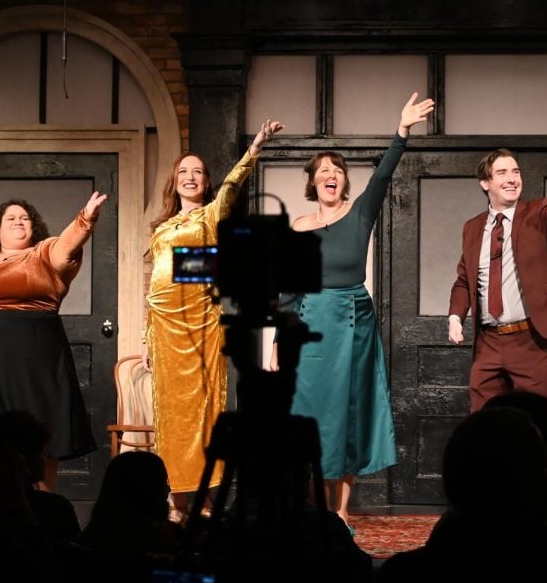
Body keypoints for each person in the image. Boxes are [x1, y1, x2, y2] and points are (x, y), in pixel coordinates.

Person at [277, 92, 434, 523]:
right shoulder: (299, 226)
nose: (331, 176)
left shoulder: (361, 211)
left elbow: (383, 175)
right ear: (313, 183)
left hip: (352, 321)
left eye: (337, 171)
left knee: (348, 410)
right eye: (323, 171)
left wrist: (401, 131)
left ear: (344, 182)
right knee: (311, 413)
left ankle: (342, 510)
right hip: (311, 325)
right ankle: (318, 504)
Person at [145, 120, 283, 517]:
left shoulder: (209, 216)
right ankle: (175, 495)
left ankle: (203, 495)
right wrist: (146, 337)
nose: (190, 177)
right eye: (183, 172)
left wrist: (255, 147)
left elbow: (232, 188)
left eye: (198, 172)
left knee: (204, 412)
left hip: (198, 327)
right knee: (169, 416)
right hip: (164, 330)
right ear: (174, 181)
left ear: (206, 183)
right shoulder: (163, 227)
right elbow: (156, 283)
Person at [0, 192, 108, 487]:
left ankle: (41, 499)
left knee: (40, 427)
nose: (18, 222)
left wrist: (86, 218)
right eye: (11, 218)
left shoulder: (44, 253)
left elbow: (68, 243)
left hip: (36, 357)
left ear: (33, 227)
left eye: (25, 218)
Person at [448, 146, 547, 411]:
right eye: (502, 172)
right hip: (487, 342)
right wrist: (455, 317)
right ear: (485, 183)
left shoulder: (539, 212)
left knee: (535, 420)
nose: (512, 178)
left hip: (530, 340)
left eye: (516, 171)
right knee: (484, 424)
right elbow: (464, 280)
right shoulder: (473, 228)